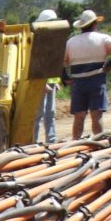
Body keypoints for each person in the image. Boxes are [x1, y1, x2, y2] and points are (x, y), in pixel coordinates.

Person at [62, 9, 111, 139]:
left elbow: (62, 62)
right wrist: (110, 64)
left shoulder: (71, 42)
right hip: (96, 80)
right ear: (94, 24)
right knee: (96, 115)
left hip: (78, 82)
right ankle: (99, 143)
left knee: (79, 116)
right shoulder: (102, 38)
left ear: (81, 26)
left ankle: (75, 144)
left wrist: (65, 77)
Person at [32, 9, 61, 144]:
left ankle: (51, 141)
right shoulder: (39, 42)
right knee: (39, 114)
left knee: (50, 113)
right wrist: (42, 84)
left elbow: (52, 65)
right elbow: (36, 65)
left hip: (51, 83)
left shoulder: (53, 42)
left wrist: (56, 81)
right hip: (40, 83)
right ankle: (34, 142)